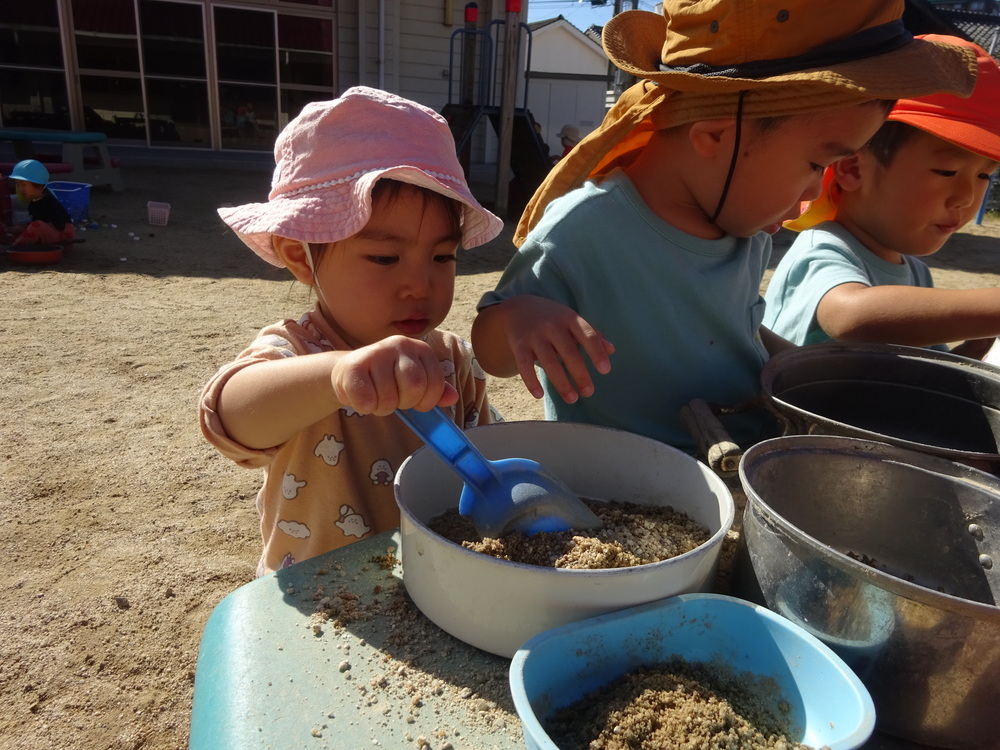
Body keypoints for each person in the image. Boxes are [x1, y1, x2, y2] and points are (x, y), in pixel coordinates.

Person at [470, 0, 978, 453]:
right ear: (714, 135)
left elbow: (733, 329)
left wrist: (813, 374)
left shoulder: (745, 226)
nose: (812, 197)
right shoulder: (584, 228)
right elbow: (490, 348)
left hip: (744, 452)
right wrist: (520, 319)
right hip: (636, 486)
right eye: (815, 165)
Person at [200, 87, 503, 576]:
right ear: (301, 255)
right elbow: (230, 415)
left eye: (442, 257)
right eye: (385, 258)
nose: (420, 286)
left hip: (434, 585)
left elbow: (488, 462)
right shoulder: (295, 352)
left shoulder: (451, 359)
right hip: (322, 599)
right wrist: (335, 375)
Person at [764, 35, 1000, 361]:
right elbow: (852, 317)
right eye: (946, 171)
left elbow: (918, 373)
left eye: (984, 175)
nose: (966, 197)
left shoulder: (917, 274)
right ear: (854, 170)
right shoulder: (823, 248)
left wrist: (969, 353)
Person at [2, 159, 75, 246]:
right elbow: (30, 224)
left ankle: (15, 247)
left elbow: (60, 226)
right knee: (30, 229)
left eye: (24, 185)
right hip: (51, 232)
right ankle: (11, 241)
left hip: (64, 236)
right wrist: (7, 229)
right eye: (18, 184)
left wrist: (30, 230)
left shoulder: (48, 202)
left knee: (36, 226)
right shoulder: (35, 201)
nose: (20, 189)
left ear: (39, 184)